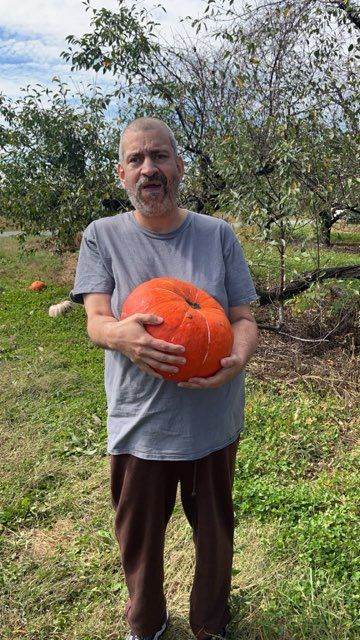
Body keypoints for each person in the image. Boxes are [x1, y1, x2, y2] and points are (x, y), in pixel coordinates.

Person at [69, 117, 259, 640]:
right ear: (121, 174)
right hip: (141, 422)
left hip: (211, 418)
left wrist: (237, 360)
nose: (149, 169)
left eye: (159, 157)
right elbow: (96, 320)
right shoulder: (102, 235)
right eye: (137, 160)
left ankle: (211, 623)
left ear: (179, 167)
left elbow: (244, 320)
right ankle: (146, 623)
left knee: (216, 534)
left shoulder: (217, 234)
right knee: (140, 537)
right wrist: (120, 336)